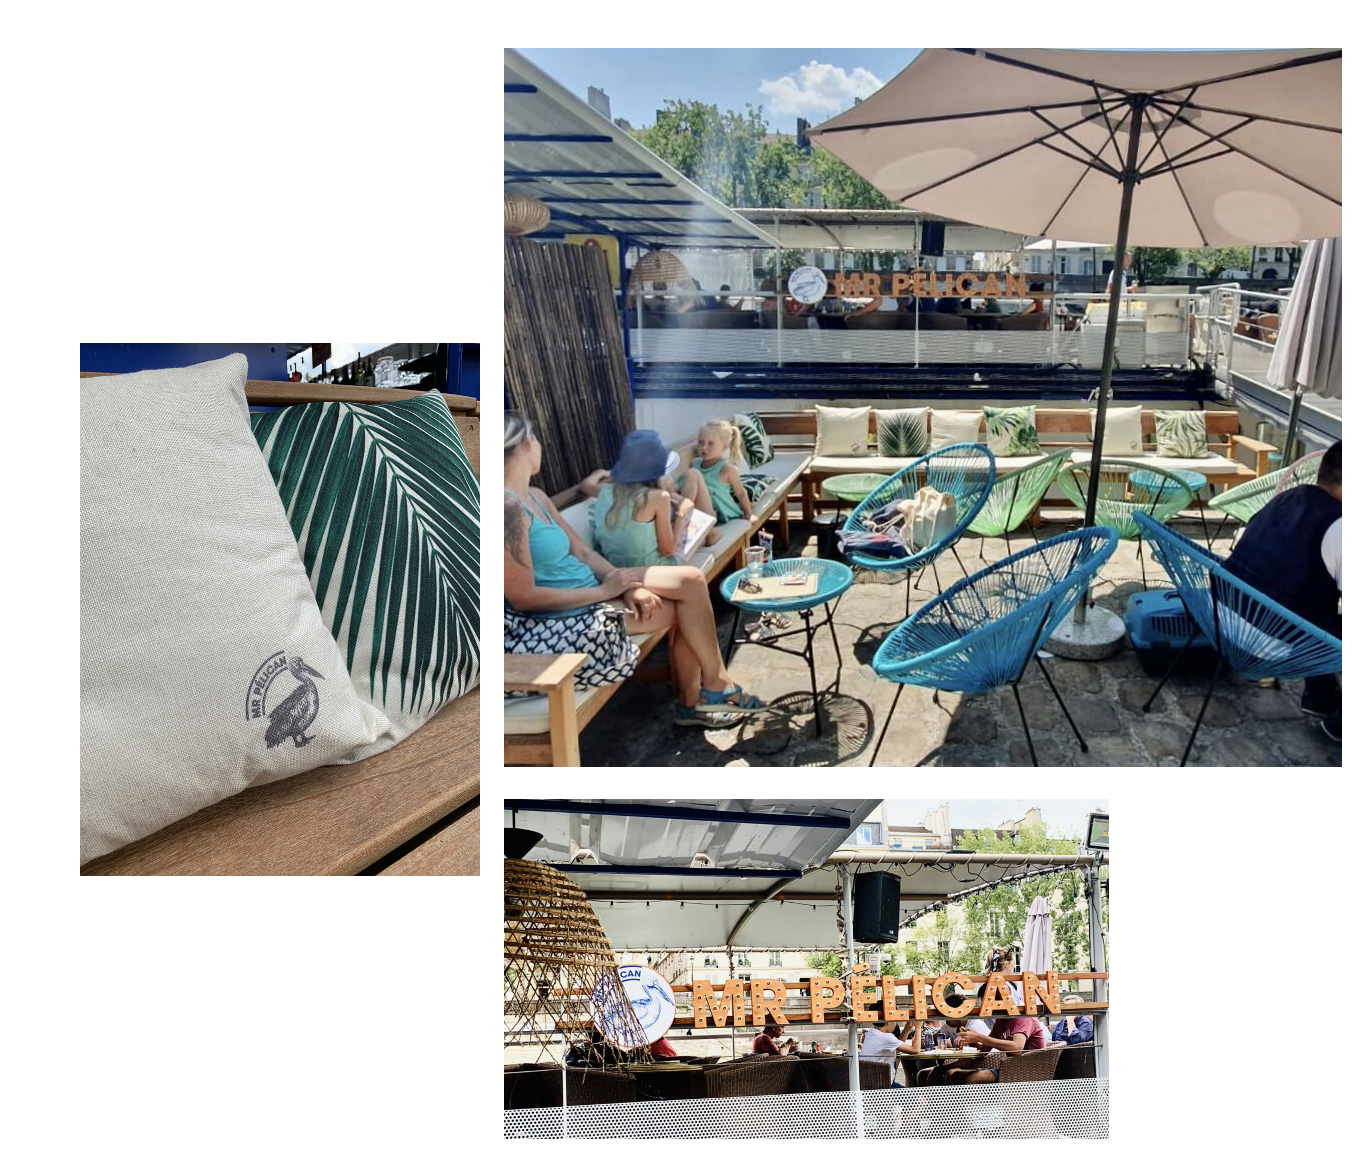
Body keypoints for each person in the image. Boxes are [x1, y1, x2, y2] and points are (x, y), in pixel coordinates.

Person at [503, 413, 769, 726]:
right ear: (524, 445)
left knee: (691, 580)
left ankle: (710, 688)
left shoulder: (535, 497)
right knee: (688, 606)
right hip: (562, 617)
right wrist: (605, 591)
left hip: (595, 589)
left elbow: (585, 553)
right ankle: (704, 694)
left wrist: (627, 585)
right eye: (535, 438)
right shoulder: (506, 509)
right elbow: (524, 598)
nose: (539, 445)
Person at [1225, 442, 1341, 740]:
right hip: (1270, 643)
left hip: (1223, 618)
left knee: (1313, 598)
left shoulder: (1287, 497)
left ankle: (1321, 698)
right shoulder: (1341, 526)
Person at [581, 431, 716, 569]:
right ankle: (711, 534)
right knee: (702, 526)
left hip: (615, 565)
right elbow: (668, 551)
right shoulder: (658, 497)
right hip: (651, 568)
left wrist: (603, 473)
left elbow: (586, 486)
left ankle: (711, 533)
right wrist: (683, 512)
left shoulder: (607, 490)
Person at [682, 419, 754, 545]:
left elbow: (741, 493)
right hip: (702, 512)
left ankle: (706, 532)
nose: (704, 447)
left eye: (711, 444)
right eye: (701, 442)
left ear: (724, 447)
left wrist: (748, 514)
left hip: (721, 514)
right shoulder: (695, 464)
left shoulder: (727, 470)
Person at [940, 1011, 1047, 1084]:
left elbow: (1017, 1048)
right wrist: (972, 1040)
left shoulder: (1023, 1018)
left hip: (1032, 1071)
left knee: (972, 1079)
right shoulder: (1000, 1021)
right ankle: (958, 1116)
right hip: (1011, 1068)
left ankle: (981, 1116)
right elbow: (984, 1051)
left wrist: (979, 1037)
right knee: (954, 1075)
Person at [859, 1018, 922, 1087]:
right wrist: (918, 1027)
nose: (895, 1024)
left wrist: (907, 1028)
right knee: (916, 1097)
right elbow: (915, 1050)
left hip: (871, 1083)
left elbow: (896, 1049)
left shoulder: (872, 1033)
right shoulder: (886, 1037)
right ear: (888, 1022)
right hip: (883, 1086)